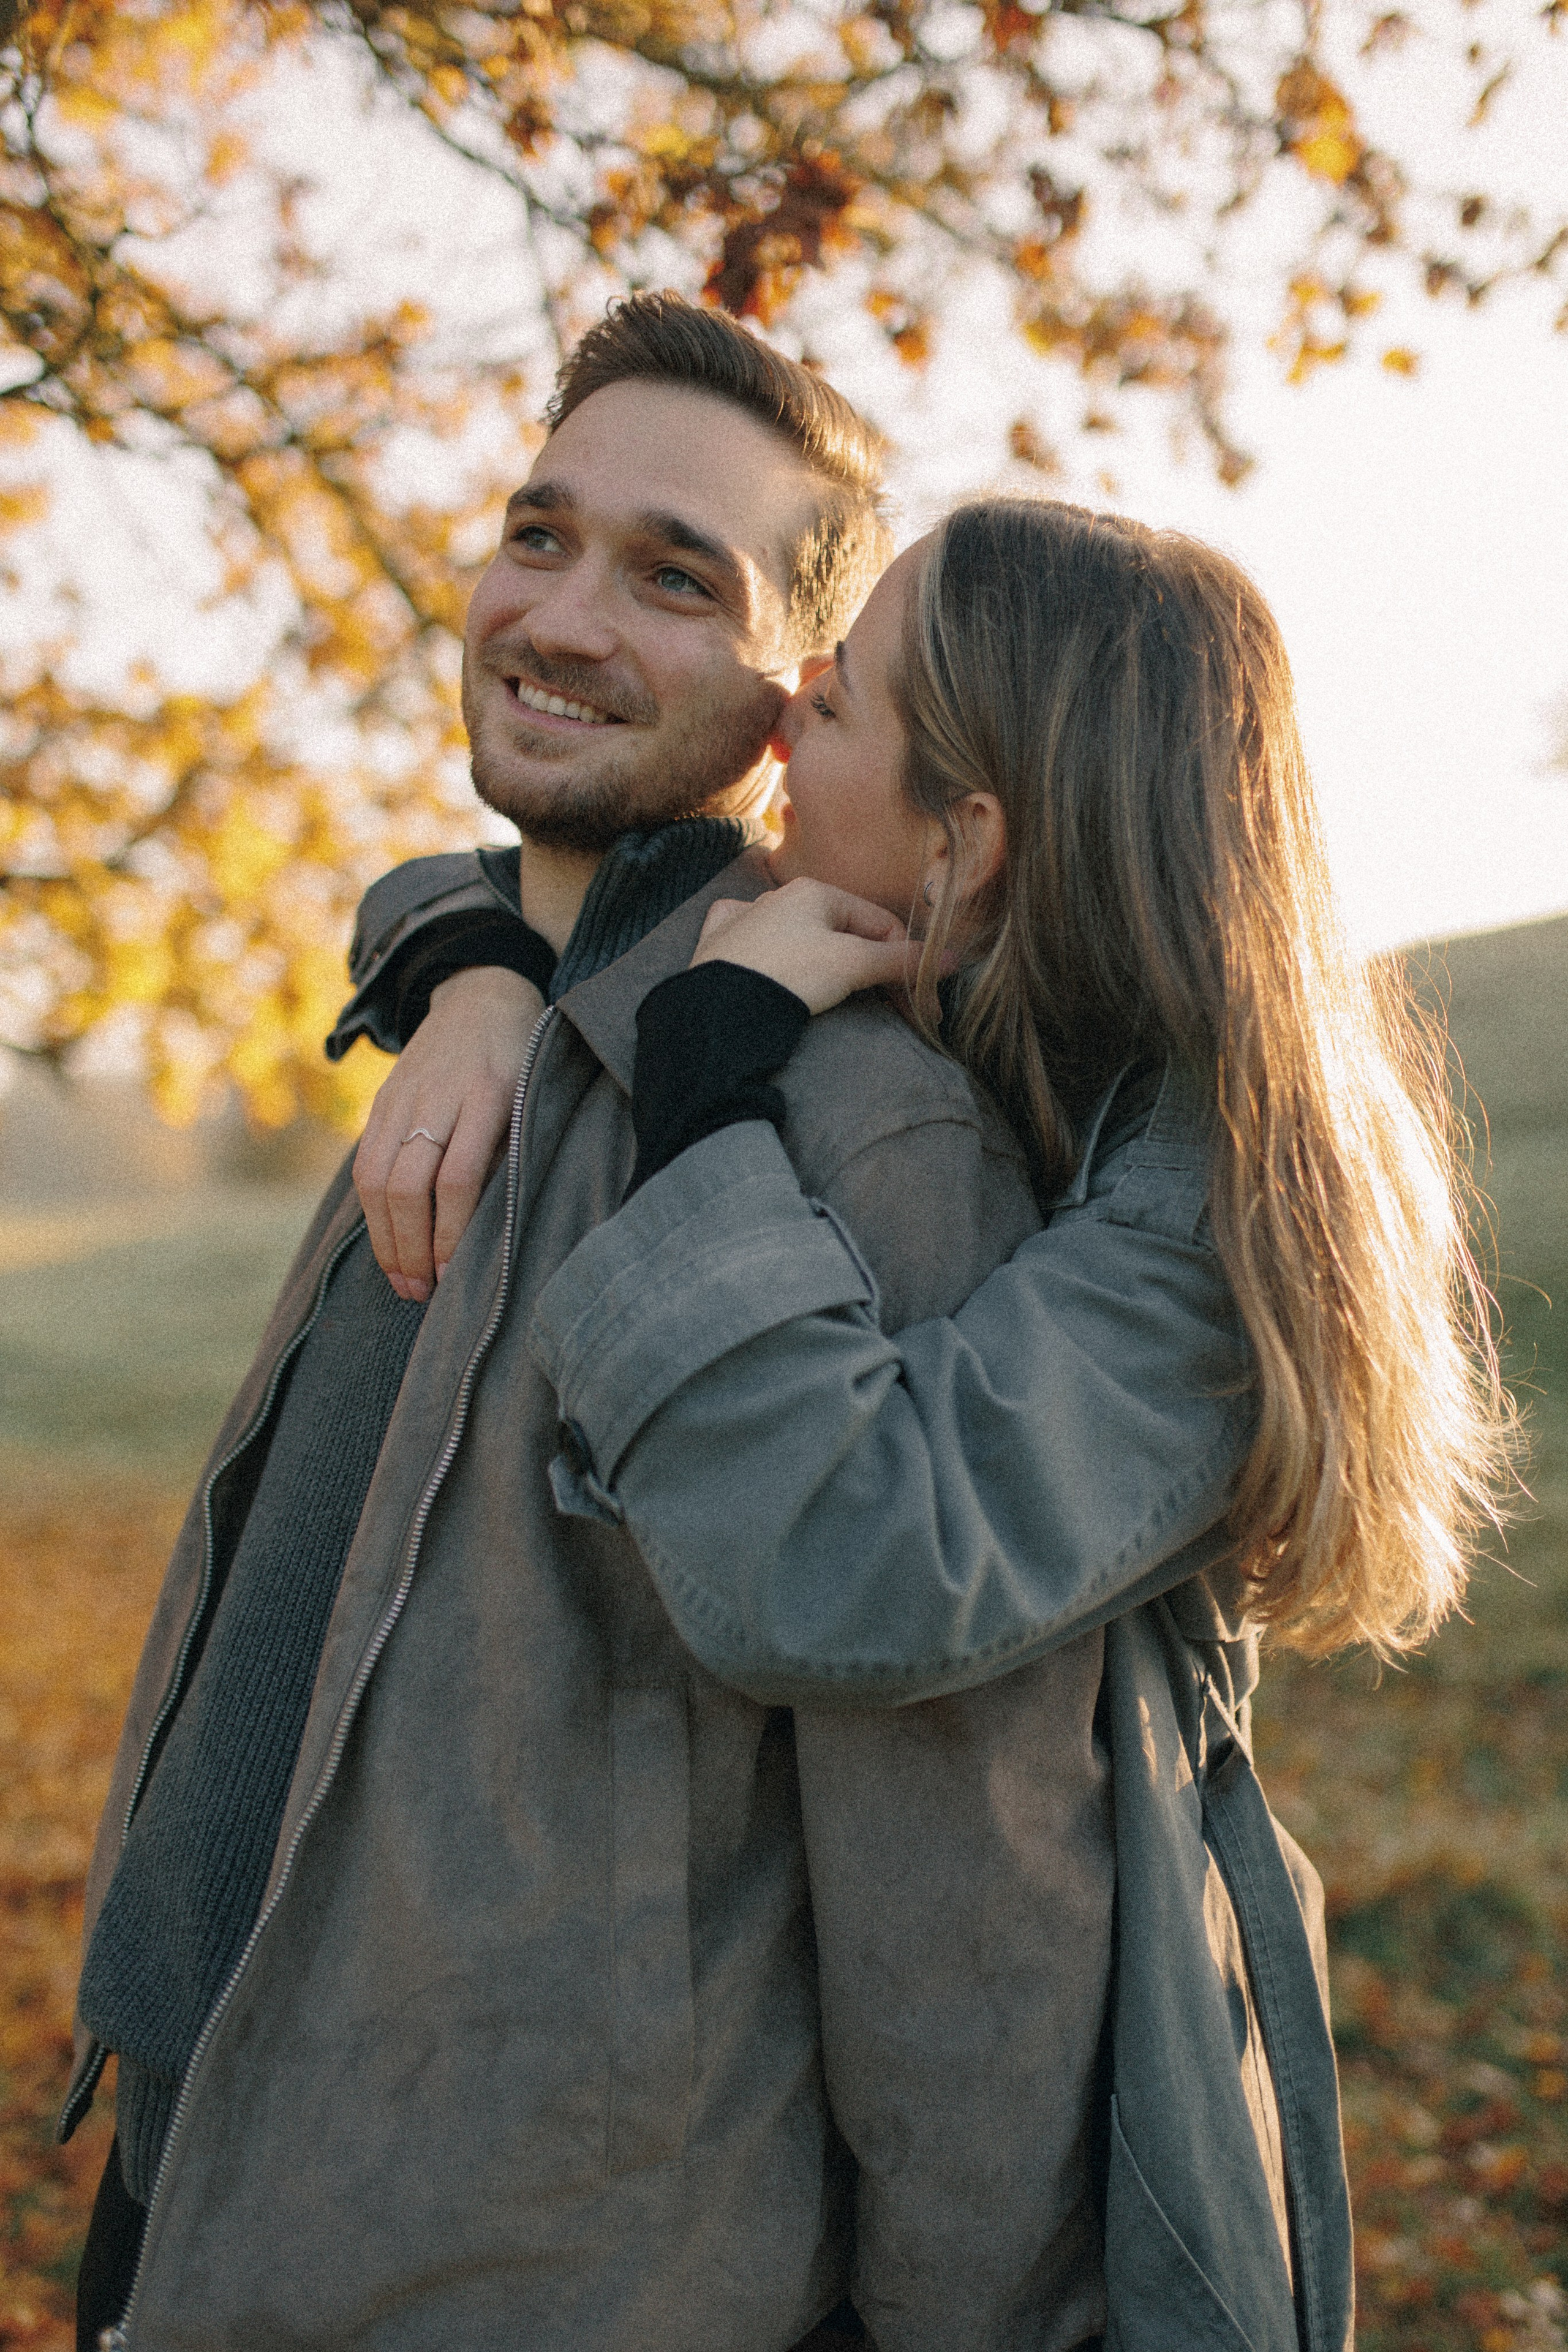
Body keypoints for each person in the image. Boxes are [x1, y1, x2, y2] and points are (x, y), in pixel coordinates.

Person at [355, 496, 1516, 2352]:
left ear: (968, 840)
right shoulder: (990, 1020)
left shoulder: (1203, 1216)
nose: (787, 697)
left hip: (1083, 2159)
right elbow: (516, 879)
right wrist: (468, 976)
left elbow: (848, 1553)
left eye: (847, 693)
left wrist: (714, 1089)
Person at [61, 293, 1057, 2352]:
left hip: (536, 2277)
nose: (565, 615)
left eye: (674, 578)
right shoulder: (459, 1031)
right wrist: (465, 969)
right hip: (182, 2182)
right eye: (540, 534)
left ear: (799, 701)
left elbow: (966, 1880)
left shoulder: (857, 1133)